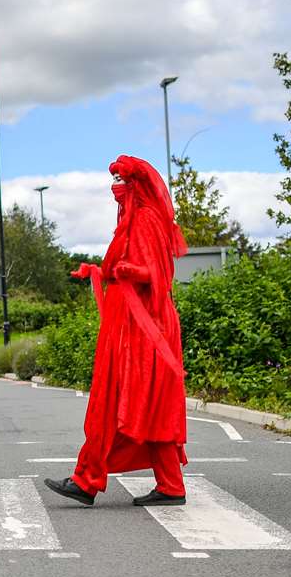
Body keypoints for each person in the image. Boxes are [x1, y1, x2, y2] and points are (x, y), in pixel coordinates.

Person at [44, 156, 189, 508]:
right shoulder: (133, 219)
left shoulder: (146, 219)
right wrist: (97, 271)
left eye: (122, 178)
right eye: (114, 178)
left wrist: (125, 269)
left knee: (119, 402)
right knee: (149, 404)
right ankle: (168, 485)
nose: (116, 185)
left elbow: (155, 275)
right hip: (132, 325)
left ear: (138, 185)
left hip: (145, 329)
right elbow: (126, 272)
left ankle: (87, 480)